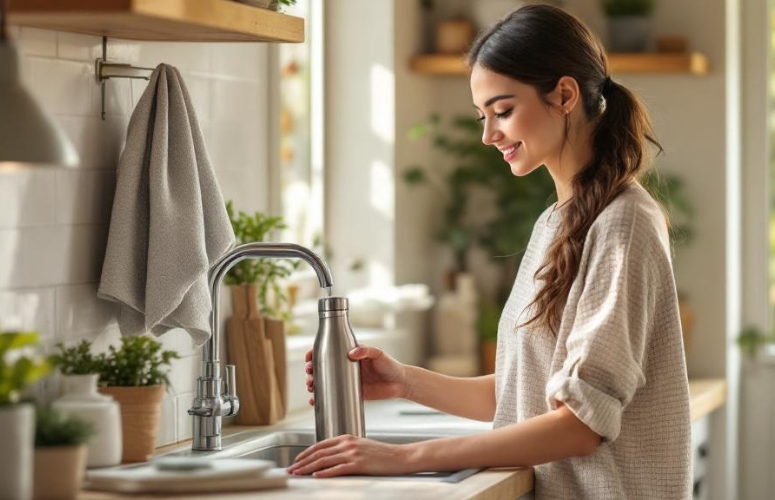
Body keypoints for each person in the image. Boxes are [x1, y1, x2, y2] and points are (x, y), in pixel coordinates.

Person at [288, 4, 691, 499]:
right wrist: (404, 381)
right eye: (483, 116)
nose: (488, 134)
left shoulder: (623, 223)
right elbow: (528, 392)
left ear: (564, 95)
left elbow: (582, 424)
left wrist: (405, 457)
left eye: (503, 111)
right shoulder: (558, 222)